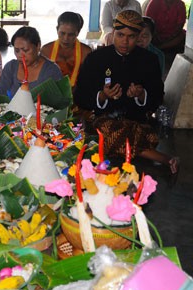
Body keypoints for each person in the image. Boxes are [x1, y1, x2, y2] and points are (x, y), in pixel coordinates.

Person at [74, 10, 179, 174]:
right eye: (120, 35)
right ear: (113, 33)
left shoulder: (148, 60)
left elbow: (158, 97)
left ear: (138, 37)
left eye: (131, 37)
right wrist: (102, 96)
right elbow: (80, 96)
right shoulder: (96, 58)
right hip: (102, 121)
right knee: (111, 134)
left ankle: (140, 151)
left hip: (137, 122)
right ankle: (164, 158)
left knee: (143, 136)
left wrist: (141, 95)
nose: (125, 41)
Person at [0, 26, 62, 97]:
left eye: (25, 50)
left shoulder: (51, 70)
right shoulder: (11, 67)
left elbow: (57, 102)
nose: (20, 55)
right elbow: (1, 95)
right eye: (17, 50)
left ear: (38, 46)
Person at [41, 12, 92, 87]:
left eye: (71, 35)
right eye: (62, 33)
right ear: (57, 29)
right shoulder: (46, 50)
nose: (66, 38)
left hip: (78, 95)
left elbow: (90, 80)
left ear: (78, 32)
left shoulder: (86, 52)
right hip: (52, 94)